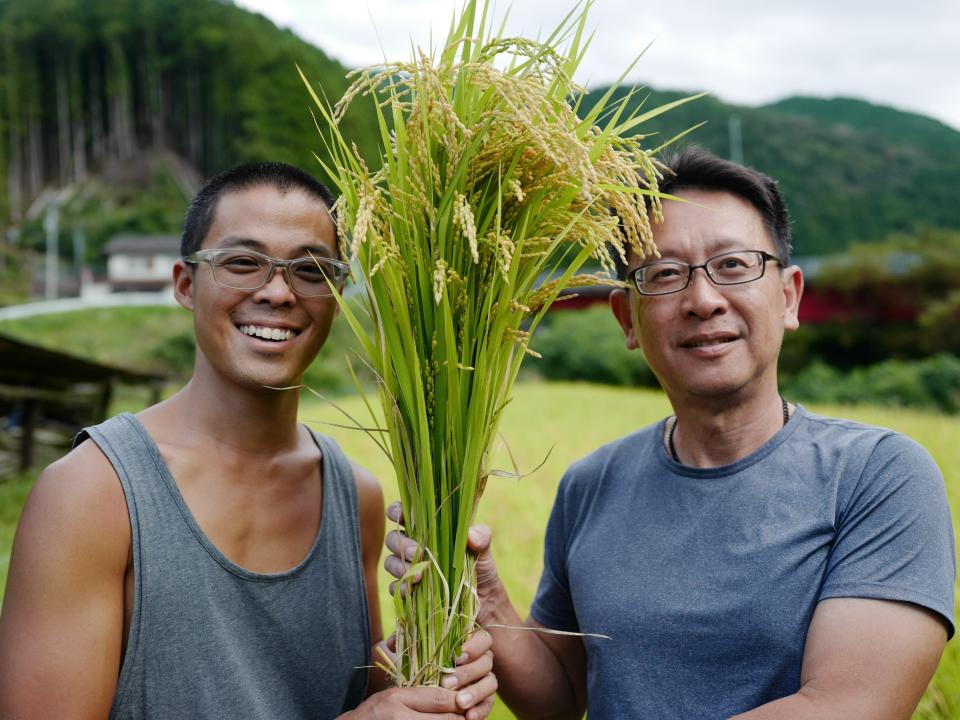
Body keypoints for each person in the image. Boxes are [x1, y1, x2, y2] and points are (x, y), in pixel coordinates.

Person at [386, 146, 955, 718]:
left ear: (789, 296)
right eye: (664, 274)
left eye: (734, 266)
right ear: (626, 319)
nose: (703, 301)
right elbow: (559, 694)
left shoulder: (878, 475)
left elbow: (847, 706)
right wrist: (483, 600)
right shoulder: (591, 483)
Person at [0, 162, 496, 720]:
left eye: (312, 271)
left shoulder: (355, 497)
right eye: (243, 263)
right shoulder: (93, 493)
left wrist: (426, 672)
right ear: (186, 285)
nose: (279, 292)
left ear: (336, 295)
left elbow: (332, 696)